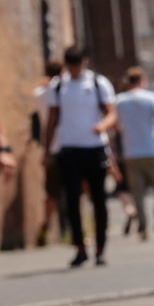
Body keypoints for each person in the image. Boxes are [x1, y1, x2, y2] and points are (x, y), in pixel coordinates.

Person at [42, 46, 118, 267]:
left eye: (78, 65)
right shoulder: (58, 87)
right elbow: (52, 120)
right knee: (73, 200)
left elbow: (112, 112)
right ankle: (80, 247)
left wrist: (102, 125)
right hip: (70, 149)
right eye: (70, 66)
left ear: (85, 62)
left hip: (94, 148)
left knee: (99, 199)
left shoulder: (98, 83)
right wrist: (47, 151)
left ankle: (101, 248)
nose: (75, 70)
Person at [115, 67, 154, 239]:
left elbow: (116, 126)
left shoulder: (119, 100)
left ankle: (143, 228)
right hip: (151, 149)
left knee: (137, 192)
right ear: (142, 80)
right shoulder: (151, 97)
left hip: (131, 151)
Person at [33, 60, 65, 245]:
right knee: (76, 191)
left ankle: (46, 224)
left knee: (51, 192)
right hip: (69, 145)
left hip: (50, 147)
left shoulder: (40, 92)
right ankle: (81, 231)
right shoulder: (65, 90)